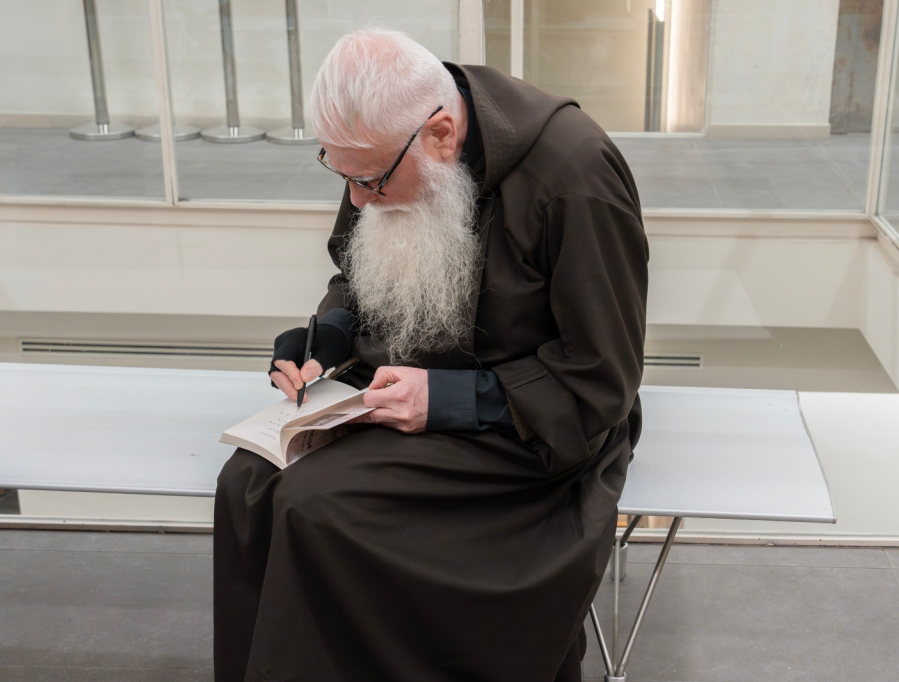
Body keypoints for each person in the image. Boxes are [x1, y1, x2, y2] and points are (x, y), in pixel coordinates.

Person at [213, 27, 648, 682]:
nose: (357, 199)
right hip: (397, 387)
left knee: (315, 505)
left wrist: (446, 400)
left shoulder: (575, 176)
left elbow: (601, 379)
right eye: (342, 174)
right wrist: (327, 337)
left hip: (527, 425)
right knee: (245, 484)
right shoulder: (389, 143)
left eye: (368, 180)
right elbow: (358, 274)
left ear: (442, 135)